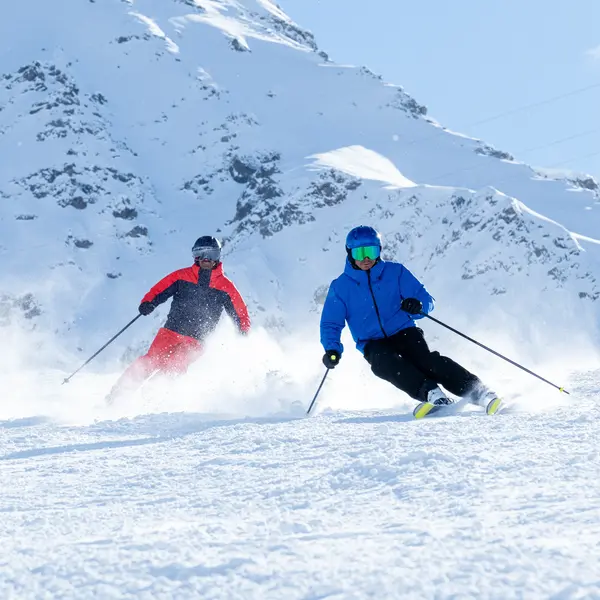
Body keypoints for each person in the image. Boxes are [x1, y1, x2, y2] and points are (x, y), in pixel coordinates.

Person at [319, 225, 501, 417]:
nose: (366, 258)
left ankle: (480, 392)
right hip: (372, 342)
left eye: (371, 251)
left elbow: (426, 300)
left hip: (403, 330)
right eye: (360, 252)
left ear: (379, 251)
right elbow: (331, 323)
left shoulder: (395, 272)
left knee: (426, 361)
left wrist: (417, 305)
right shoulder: (340, 287)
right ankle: (433, 394)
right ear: (350, 253)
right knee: (384, 364)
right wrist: (332, 349)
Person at [106, 235, 250, 403]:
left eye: (211, 255)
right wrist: (148, 302)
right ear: (194, 256)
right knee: (151, 361)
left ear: (218, 257)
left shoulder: (225, 286)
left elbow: (240, 311)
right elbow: (160, 289)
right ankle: (117, 396)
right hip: (171, 331)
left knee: (175, 366)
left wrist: (242, 328)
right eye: (201, 254)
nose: (205, 259)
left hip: (197, 340)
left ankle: (150, 400)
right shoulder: (182, 276)